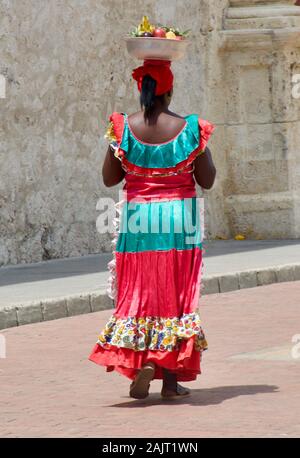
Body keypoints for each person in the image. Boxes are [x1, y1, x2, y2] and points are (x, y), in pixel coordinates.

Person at [89, 59, 216, 400]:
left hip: (138, 221)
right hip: (179, 219)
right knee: (176, 297)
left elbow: (109, 178)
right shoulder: (191, 128)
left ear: (140, 89)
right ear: (170, 90)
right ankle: (171, 383)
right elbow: (207, 180)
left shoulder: (123, 127)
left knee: (141, 295)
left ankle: (143, 359)